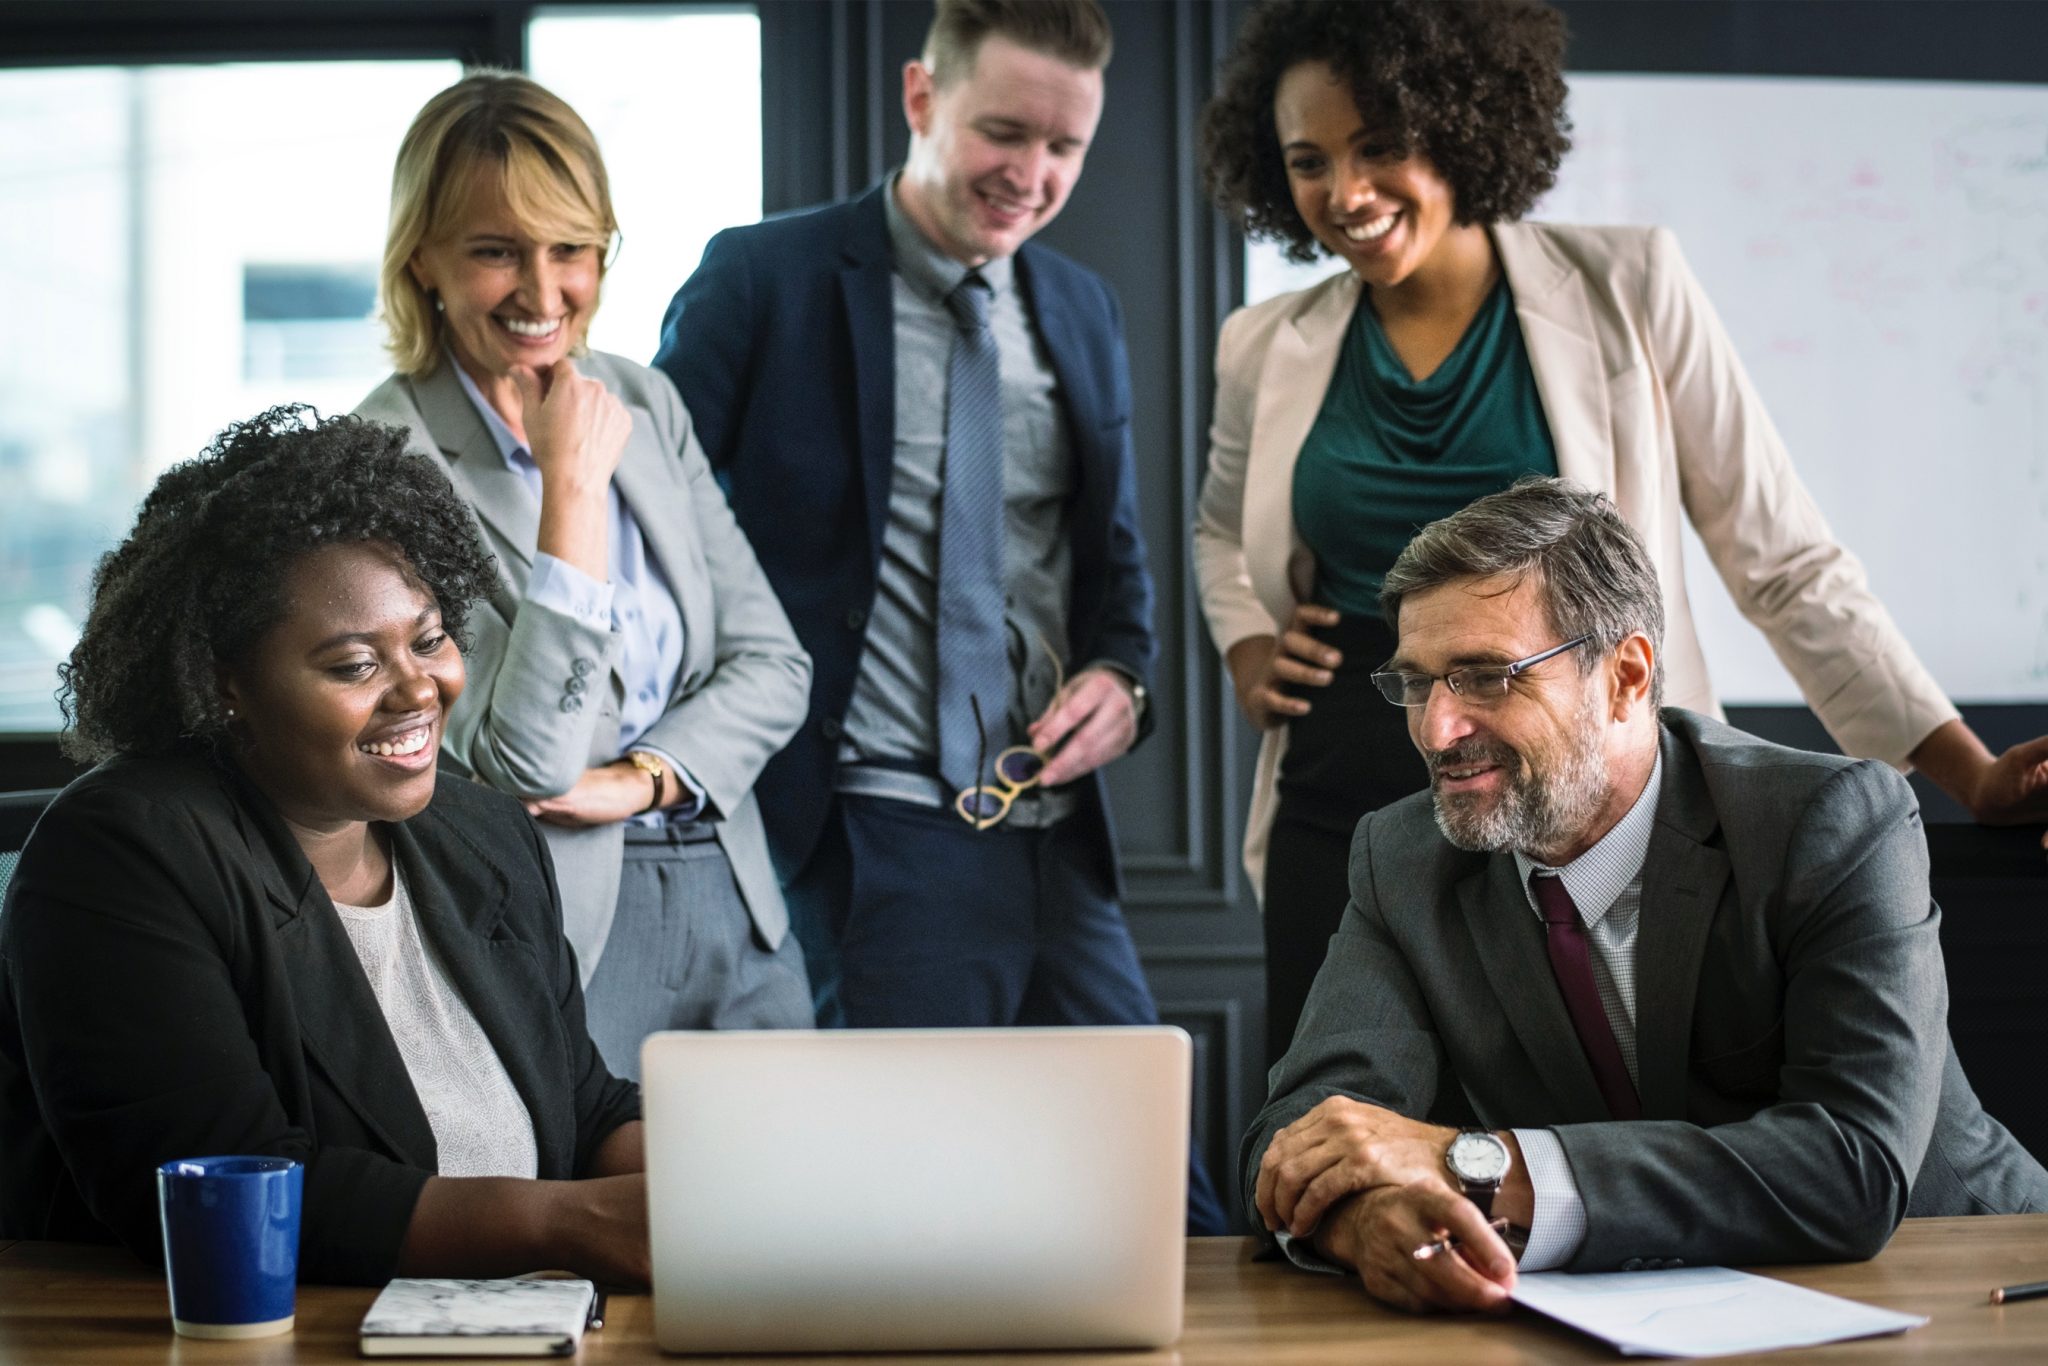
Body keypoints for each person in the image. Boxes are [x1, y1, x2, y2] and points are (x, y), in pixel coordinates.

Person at [1192, 0, 2048, 1067]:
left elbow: (1777, 555)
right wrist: (1244, 639)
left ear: (1459, 120)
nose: (1344, 194)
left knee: (1577, 1126)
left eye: (1378, 147)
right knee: (1333, 1122)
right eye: (1307, 161)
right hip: (1342, 786)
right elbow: (1218, 531)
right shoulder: (1261, 343)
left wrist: (1963, 769)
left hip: (1575, 782)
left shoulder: (1627, 285)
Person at [1242, 476, 2048, 1313]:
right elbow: (1299, 1135)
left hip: (1960, 1283)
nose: (1437, 729)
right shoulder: (1404, 857)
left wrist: (1471, 1163)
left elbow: (1851, 1163)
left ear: (1627, 676)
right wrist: (1369, 1220)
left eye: (1485, 676)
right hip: (1627, 1316)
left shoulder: (1832, 822)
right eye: (1419, 683)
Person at [0, 408, 649, 1286]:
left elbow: (585, 1106)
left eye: (428, 640)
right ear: (225, 684)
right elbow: (221, 1180)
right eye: (354, 666)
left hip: (502, 1325)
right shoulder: (122, 854)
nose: (418, 689)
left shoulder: (483, 834)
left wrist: (720, 1174)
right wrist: (566, 1226)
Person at [357, 72, 815, 1078]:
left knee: (794, 1220)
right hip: (557, 919)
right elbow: (523, 759)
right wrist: (570, 491)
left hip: (732, 895)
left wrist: (640, 778)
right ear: (423, 259)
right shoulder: (382, 456)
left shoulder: (642, 401)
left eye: (571, 249)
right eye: (494, 251)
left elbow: (774, 664)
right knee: (600, 1229)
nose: (542, 288)